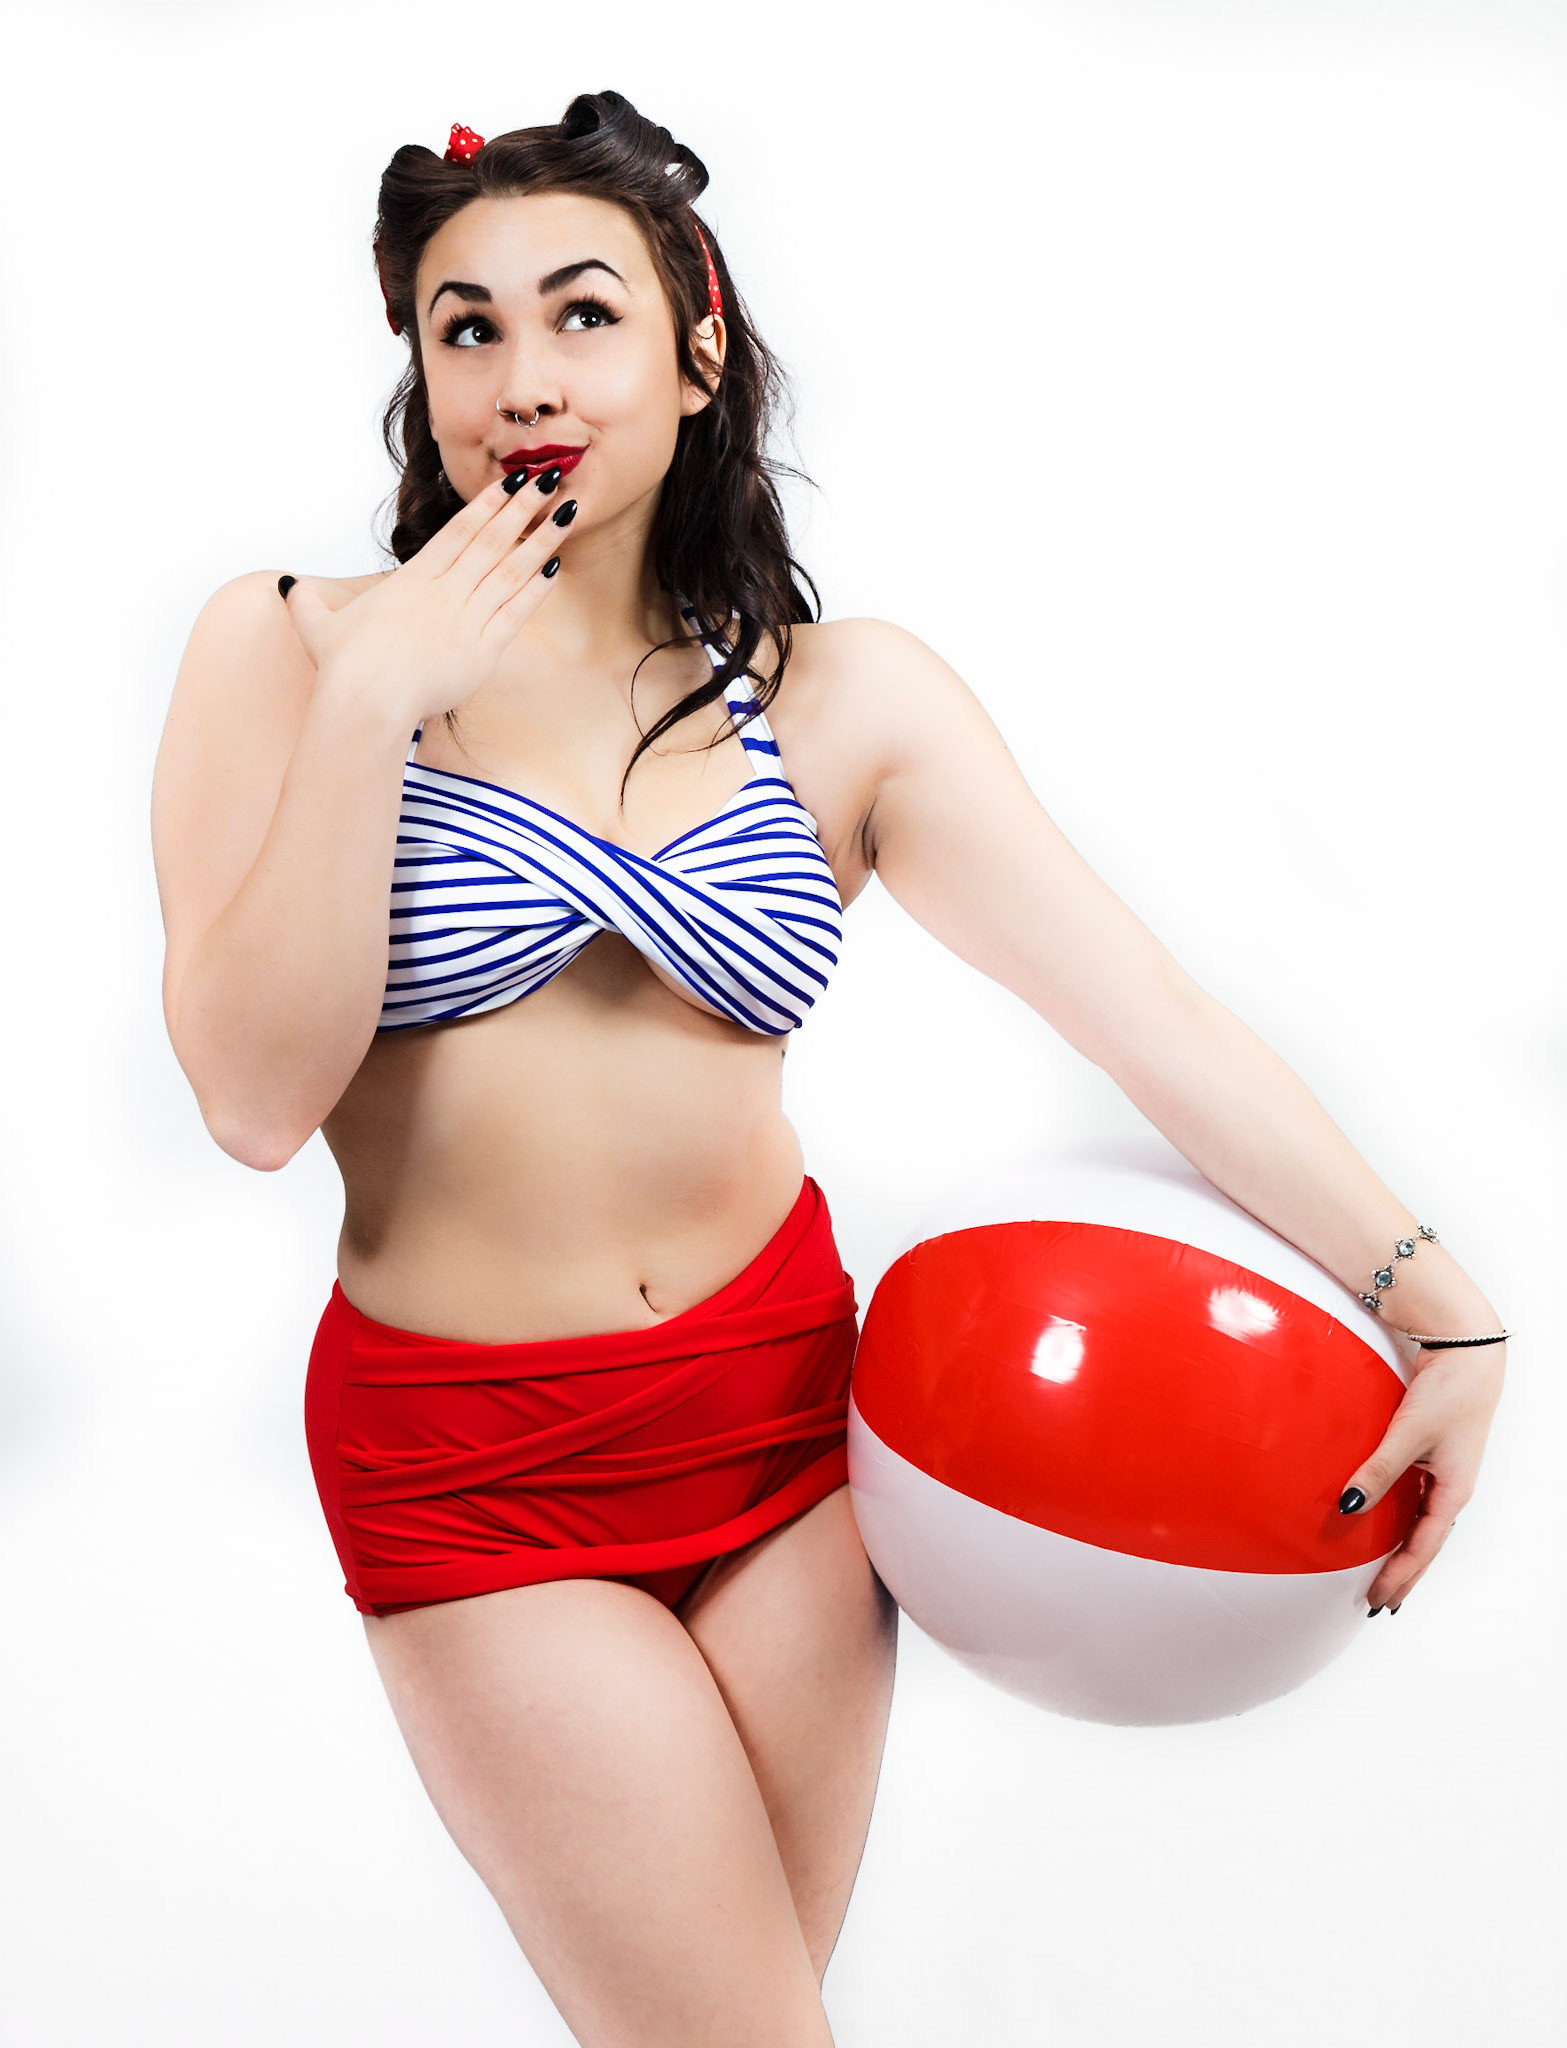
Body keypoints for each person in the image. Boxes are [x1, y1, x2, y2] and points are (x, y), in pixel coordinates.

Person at [150, 89, 1508, 2048]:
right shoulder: (285, 653)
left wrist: (1444, 1311)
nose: (526, 378)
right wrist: (373, 704)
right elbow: (253, 1100)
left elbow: (1147, 1015)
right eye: (468, 327)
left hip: (791, 1432)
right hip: (477, 1470)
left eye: (585, 312)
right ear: (419, 371)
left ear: (698, 346)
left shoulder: (839, 698)